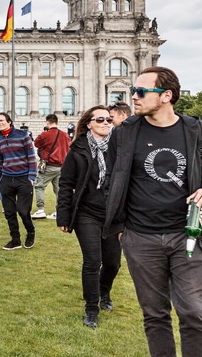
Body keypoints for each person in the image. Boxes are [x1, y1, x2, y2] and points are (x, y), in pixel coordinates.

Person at [103, 66, 202, 357]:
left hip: (188, 235)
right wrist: (122, 228)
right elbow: (111, 179)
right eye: (134, 90)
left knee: (195, 311)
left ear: (166, 96)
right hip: (140, 238)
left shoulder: (195, 130)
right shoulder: (123, 134)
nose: (134, 96)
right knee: (155, 314)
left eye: (141, 91)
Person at [56, 105, 121, 329]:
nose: (105, 123)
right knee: (93, 261)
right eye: (100, 119)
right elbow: (65, 184)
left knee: (113, 263)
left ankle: (105, 291)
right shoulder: (78, 149)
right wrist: (63, 216)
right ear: (89, 123)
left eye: (109, 120)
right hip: (87, 213)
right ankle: (91, 308)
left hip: (113, 215)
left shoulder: (119, 148)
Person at [0, 112, 37, 251]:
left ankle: (30, 232)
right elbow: (0, 162)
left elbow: (31, 157)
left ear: (9, 121)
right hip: (7, 179)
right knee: (9, 212)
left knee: (23, 210)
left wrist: (31, 177)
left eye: (1, 120)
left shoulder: (23, 135)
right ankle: (15, 240)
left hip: (24, 179)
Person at [32, 114, 71, 220]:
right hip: (62, 166)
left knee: (39, 186)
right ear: (57, 122)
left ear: (47, 122)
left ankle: (40, 210)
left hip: (49, 165)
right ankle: (60, 211)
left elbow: (36, 143)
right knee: (59, 189)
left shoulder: (46, 134)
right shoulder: (65, 135)